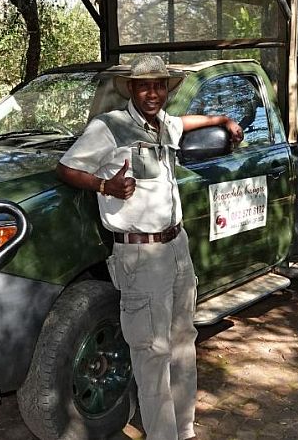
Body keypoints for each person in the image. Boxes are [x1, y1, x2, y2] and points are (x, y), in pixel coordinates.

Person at [56, 55, 243, 440]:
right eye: (145, 86)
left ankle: (185, 431)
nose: (153, 92)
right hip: (140, 255)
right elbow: (68, 167)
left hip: (176, 247)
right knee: (152, 352)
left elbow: (184, 124)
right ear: (132, 89)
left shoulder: (162, 124)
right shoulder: (109, 127)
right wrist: (105, 186)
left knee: (182, 343)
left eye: (159, 85)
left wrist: (219, 120)